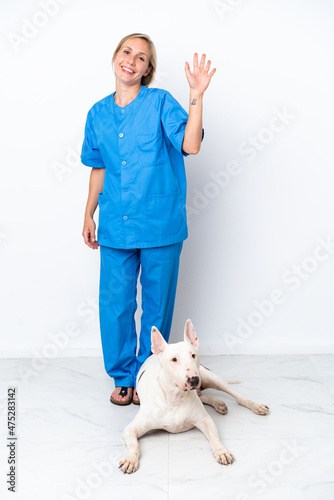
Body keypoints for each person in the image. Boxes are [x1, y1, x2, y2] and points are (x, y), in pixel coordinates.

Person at [81, 33, 215, 406]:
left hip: (160, 223)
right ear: (115, 57)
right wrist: (88, 213)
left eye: (141, 58)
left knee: (157, 306)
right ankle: (123, 375)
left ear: (147, 70)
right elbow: (98, 167)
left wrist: (197, 95)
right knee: (115, 303)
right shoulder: (97, 114)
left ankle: (145, 374)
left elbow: (190, 145)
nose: (132, 60)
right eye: (127, 52)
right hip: (115, 224)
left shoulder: (160, 103)